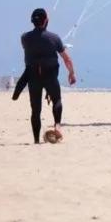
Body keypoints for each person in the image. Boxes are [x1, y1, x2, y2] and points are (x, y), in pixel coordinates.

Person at [18, 8, 76, 143]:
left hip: (33, 76)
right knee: (57, 100)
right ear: (46, 21)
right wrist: (71, 73)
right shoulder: (54, 38)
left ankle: (36, 140)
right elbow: (66, 59)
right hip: (50, 75)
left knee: (35, 110)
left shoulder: (24, 38)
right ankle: (57, 126)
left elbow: (30, 45)